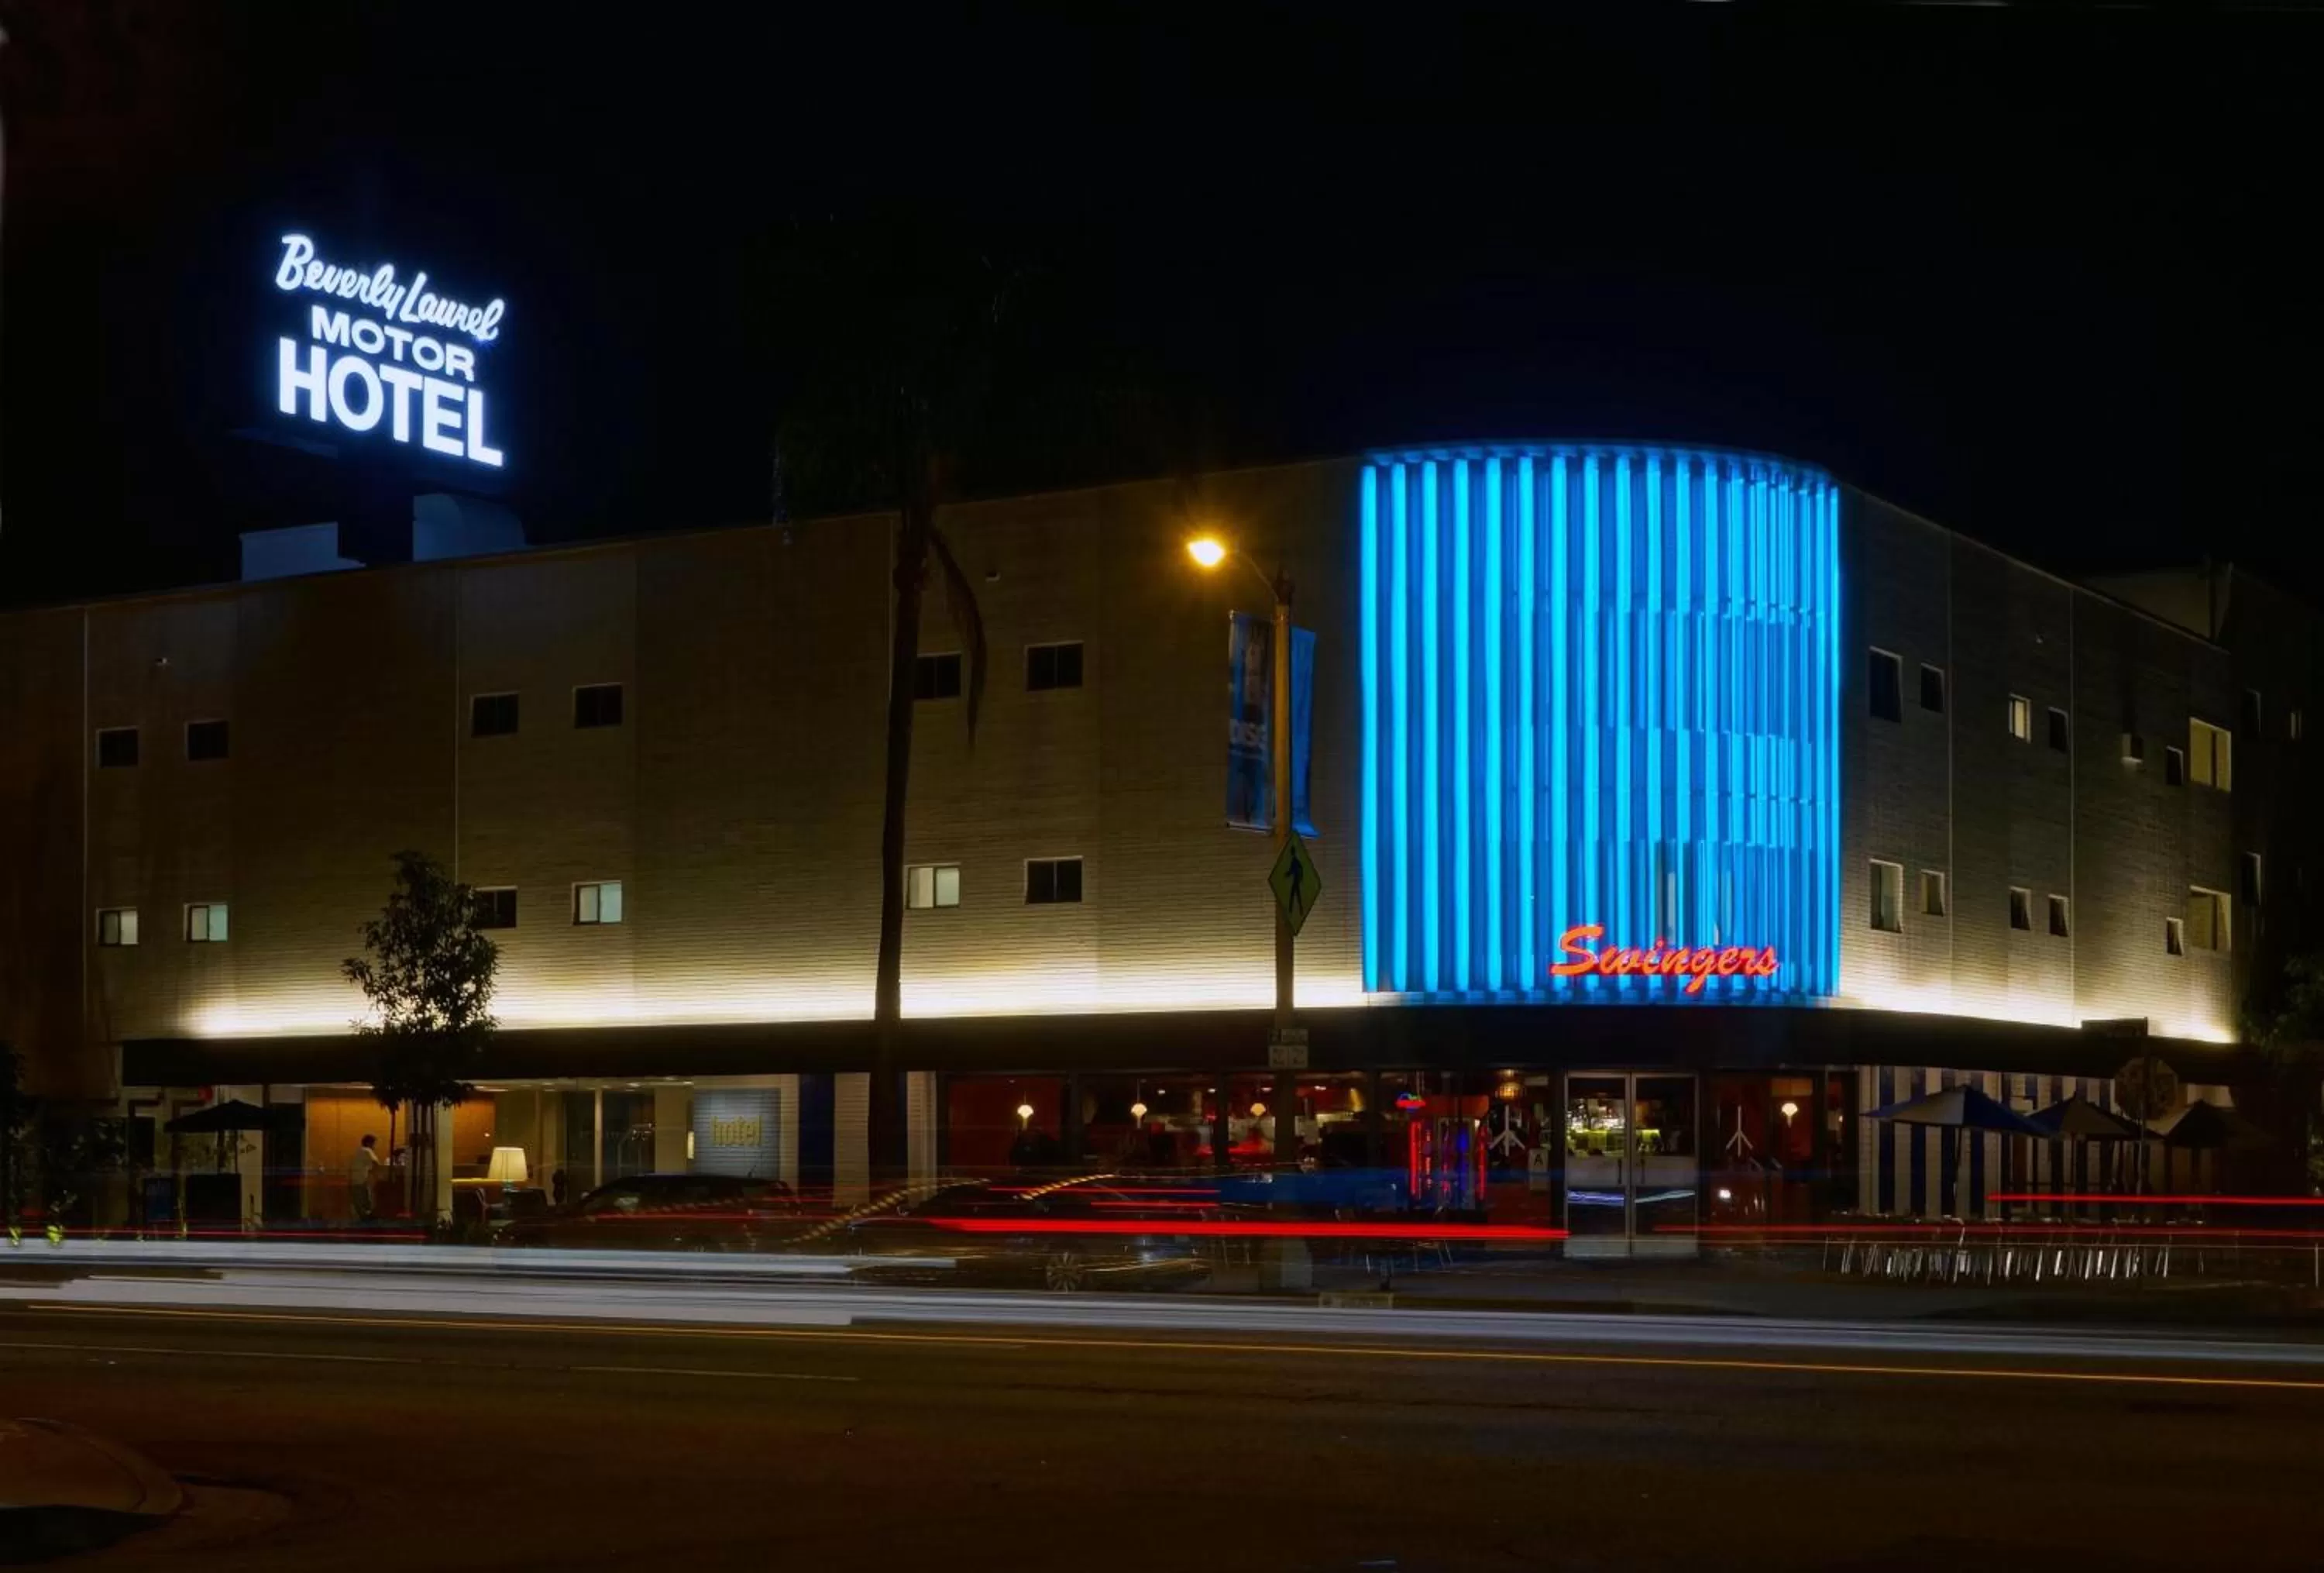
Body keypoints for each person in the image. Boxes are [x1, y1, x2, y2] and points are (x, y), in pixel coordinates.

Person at [348, 1134, 383, 1224]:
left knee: (358, 1201)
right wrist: (378, 1175)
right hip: (362, 1179)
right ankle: (367, 1220)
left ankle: (361, 1219)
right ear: (369, 1143)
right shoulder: (367, 1151)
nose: (375, 1146)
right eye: (374, 1144)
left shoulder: (358, 1151)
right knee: (366, 1201)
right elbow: (376, 1163)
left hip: (354, 1179)